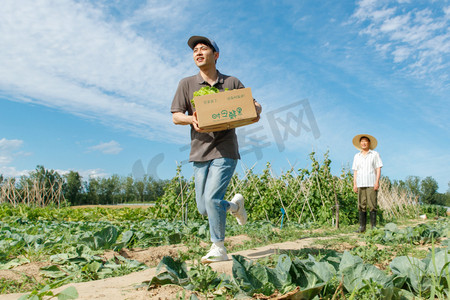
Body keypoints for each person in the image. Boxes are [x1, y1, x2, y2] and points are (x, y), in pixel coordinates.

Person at [171, 35, 262, 263]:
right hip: (200, 150)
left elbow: (254, 104)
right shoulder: (187, 84)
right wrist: (191, 119)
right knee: (204, 208)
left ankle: (219, 247)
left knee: (212, 198)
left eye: (203, 48)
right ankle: (234, 206)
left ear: (216, 55)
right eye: (195, 50)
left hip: (225, 149)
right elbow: (175, 116)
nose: (198, 52)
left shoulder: (231, 82)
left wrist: (256, 108)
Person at [352, 134, 383, 232]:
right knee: (361, 205)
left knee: (372, 204)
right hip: (360, 183)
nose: (364, 143)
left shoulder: (374, 154)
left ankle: (373, 227)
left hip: (371, 182)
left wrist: (377, 182)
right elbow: (355, 171)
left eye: (366, 141)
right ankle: (362, 227)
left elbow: (378, 168)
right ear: (360, 144)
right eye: (362, 141)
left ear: (369, 143)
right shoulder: (357, 156)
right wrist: (355, 184)